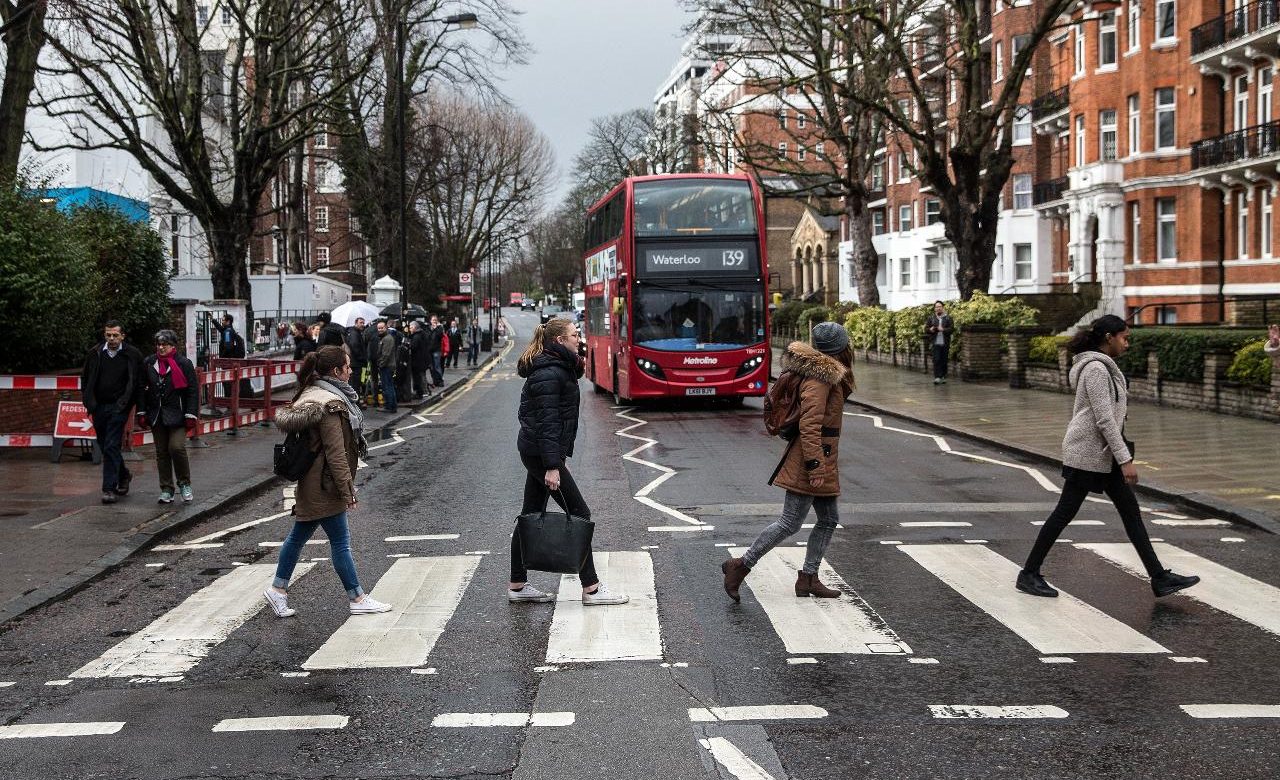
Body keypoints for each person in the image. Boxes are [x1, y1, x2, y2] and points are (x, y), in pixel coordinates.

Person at [1016, 314, 1200, 599]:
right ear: (1109, 338)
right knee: (1064, 513)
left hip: (1103, 454)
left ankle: (1159, 577)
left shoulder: (1101, 366)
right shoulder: (1096, 369)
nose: (1127, 344)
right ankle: (1029, 573)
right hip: (1088, 453)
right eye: (1124, 338)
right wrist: (1125, 459)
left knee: (1131, 513)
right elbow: (1104, 419)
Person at [721, 322, 855, 602]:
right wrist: (815, 465)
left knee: (829, 519)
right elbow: (809, 424)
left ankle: (808, 578)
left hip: (822, 457)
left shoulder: (831, 375)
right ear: (841, 348)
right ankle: (741, 566)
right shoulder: (821, 378)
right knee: (790, 522)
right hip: (812, 459)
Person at [265, 346, 391, 618]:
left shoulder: (312, 392)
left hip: (314, 482)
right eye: (348, 366)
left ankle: (278, 589)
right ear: (336, 371)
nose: (351, 370)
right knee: (340, 542)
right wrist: (347, 491)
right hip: (324, 484)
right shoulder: (331, 404)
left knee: (299, 537)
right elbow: (336, 453)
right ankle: (357, 598)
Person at [511, 319, 628, 606]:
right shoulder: (550, 373)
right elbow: (548, 423)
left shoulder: (558, 367)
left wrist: (556, 459)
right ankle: (592, 589)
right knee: (579, 513)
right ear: (560, 341)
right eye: (575, 335)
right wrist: (553, 465)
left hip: (539, 451)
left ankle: (517, 584)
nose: (580, 338)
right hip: (541, 452)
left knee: (530, 514)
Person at [81, 321, 143, 504]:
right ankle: (124, 475)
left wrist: (137, 407)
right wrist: (89, 402)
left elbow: (137, 383)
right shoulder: (96, 353)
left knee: (110, 445)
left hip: (120, 406)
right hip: (99, 406)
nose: (112, 339)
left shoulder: (132, 354)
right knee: (106, 445)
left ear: (123, 336)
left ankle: (108, 488)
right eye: (108, 335)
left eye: (115, 335)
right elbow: (85, 377)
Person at [136, 329, 199, 503]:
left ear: (173, 346)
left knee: (177, 447)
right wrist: (141, 412)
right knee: (162, 452)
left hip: (178, 414)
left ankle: (185, 484)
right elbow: (141, 388)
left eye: (165, 344)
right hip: (157, 414)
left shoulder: (183, 363)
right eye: (159, 344)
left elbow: (193, 390)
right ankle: (166, 489)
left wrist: (191, 414)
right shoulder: (149, 363)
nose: (161, 347)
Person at [924, 300, 953, 385]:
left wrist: (943, 329)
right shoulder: (931, 318)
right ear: (934, 309)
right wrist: (930, 329)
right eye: (936, 307)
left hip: (945, 342)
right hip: (935, 342)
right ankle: (937, 377)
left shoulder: (948, 318)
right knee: (936, 359)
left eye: (940, 306)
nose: (938, 308)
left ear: (943, 308)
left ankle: (943, 376)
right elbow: (925, 329)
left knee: (944, 360)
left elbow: (952, 329)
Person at [374, 319, 397, 412]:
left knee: (387, 387)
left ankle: (390, 407)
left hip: (387, 366)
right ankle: (391, 406)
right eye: (378, 328)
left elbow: (386, 354)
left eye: (382, 328)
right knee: (388, 386)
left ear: (386, 328)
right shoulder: (384, 338)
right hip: (387, 366)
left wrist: (380, 364)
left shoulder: (387, 339)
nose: (380, 330)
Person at [345, 317, 369, 405]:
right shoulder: (355, 333)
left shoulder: (355, 332)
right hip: (356, 363)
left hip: (355, 362)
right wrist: (362, 357)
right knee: (355, 384)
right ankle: (355, 403)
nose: (363, 324)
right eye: (361, 322)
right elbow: (355, 347)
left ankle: (355, 402)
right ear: (356, 323)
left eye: (363, 322)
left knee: (355, 383)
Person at [408, 320, 431, 400]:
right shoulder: (422, 334)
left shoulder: (416, 336)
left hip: (418, 360)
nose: (410, 329)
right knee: (422, 376)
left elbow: (413, 347)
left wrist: (409, 344)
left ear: (414, 327)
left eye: (411, 328)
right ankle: (424, 391)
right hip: (423, 359)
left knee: (419, 377)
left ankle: (421, 392)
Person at [425, 315, 445, 387]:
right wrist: (432, 330)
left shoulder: (440, 328)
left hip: (437, 350)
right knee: (431, 367)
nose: (434, 321)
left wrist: (436, 328)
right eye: (433, 320)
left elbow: (441, 336)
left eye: (435, 320)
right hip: (429, 350)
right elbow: (427, 337)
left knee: (437, 366)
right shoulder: (428, 328)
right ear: (430, 321)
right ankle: (435, 381)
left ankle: (440, 381)